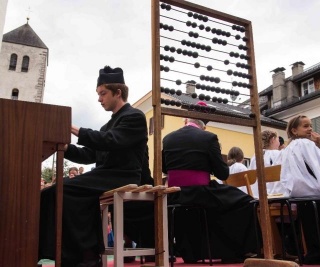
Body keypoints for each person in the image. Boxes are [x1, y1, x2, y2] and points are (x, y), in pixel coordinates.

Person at [38, 65, 148, 267]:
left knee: (61, 191)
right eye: (98, 94)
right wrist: (63, 146)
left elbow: (111, 140)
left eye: (103, 93)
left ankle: (84, 254)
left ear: (118, 92)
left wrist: (74, 129)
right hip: (104, 175)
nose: (99, 99)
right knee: (54, 191)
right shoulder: (107, 125)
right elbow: (89, 154)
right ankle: (79, 253)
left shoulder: (135, 117)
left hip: (122, 175)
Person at [162, 117, 258, 263]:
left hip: (175, 195)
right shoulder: (208, 138)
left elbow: (164, 168)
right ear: (203, 127)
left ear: (186, 122)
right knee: (246, 201)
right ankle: (232, 251)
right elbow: (223, 173)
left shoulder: (168, 138)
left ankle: (193, 253)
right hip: (200, 193)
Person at [280, 115, 320, 264]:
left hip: (298, 192)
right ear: (294, 131)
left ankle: (313, 250)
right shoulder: (306, 144)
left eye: (310, 125)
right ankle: (315, 250)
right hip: (313, 191)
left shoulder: (289, 148)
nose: (310, 128)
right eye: (305, 126)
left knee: (309, 222)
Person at [249, 129, 283, 197]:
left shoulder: (255, 157)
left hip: (256, 196)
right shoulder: (278, 154)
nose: (279, 143)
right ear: (272, 140)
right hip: (275, 196)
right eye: (278, 139)